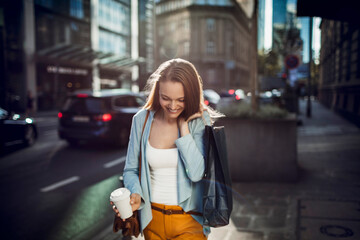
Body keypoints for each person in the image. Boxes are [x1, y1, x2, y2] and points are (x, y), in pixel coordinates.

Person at [110, 58, 222, 239]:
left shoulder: (200, 121)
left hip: (190, 221)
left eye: (181, 100)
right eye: (165, 98)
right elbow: (131, 169)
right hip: (151, 219)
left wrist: (184, 127)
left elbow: (196, 173)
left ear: (191, 96)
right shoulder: (141, 120)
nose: (172, 106)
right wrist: (135, 194)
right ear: (157, 92)